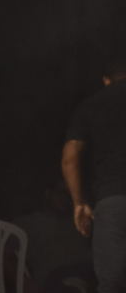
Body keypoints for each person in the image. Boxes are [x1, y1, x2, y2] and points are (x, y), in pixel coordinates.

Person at [62, 56, 126, 293]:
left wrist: (79, 203)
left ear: (106, 80)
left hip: (112, 201)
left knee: (111, 285)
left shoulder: (90, 105)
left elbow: (70, 157)